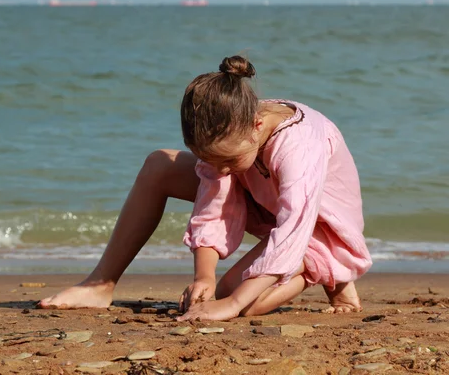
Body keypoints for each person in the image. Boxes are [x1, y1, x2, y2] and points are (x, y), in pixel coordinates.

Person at [38, 55, 372, 321]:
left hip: (317, 227)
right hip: (263, 201)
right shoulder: (232, 124)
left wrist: (231, 302)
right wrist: (204, 277)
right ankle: (100, 284)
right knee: (159, 165)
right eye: (209, 159)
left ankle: (327, 269)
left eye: (228, 160)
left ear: (257, 126)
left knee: (241, 301)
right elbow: (214, 204)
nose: (220, 169)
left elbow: (294, 229)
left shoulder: (298, 146)